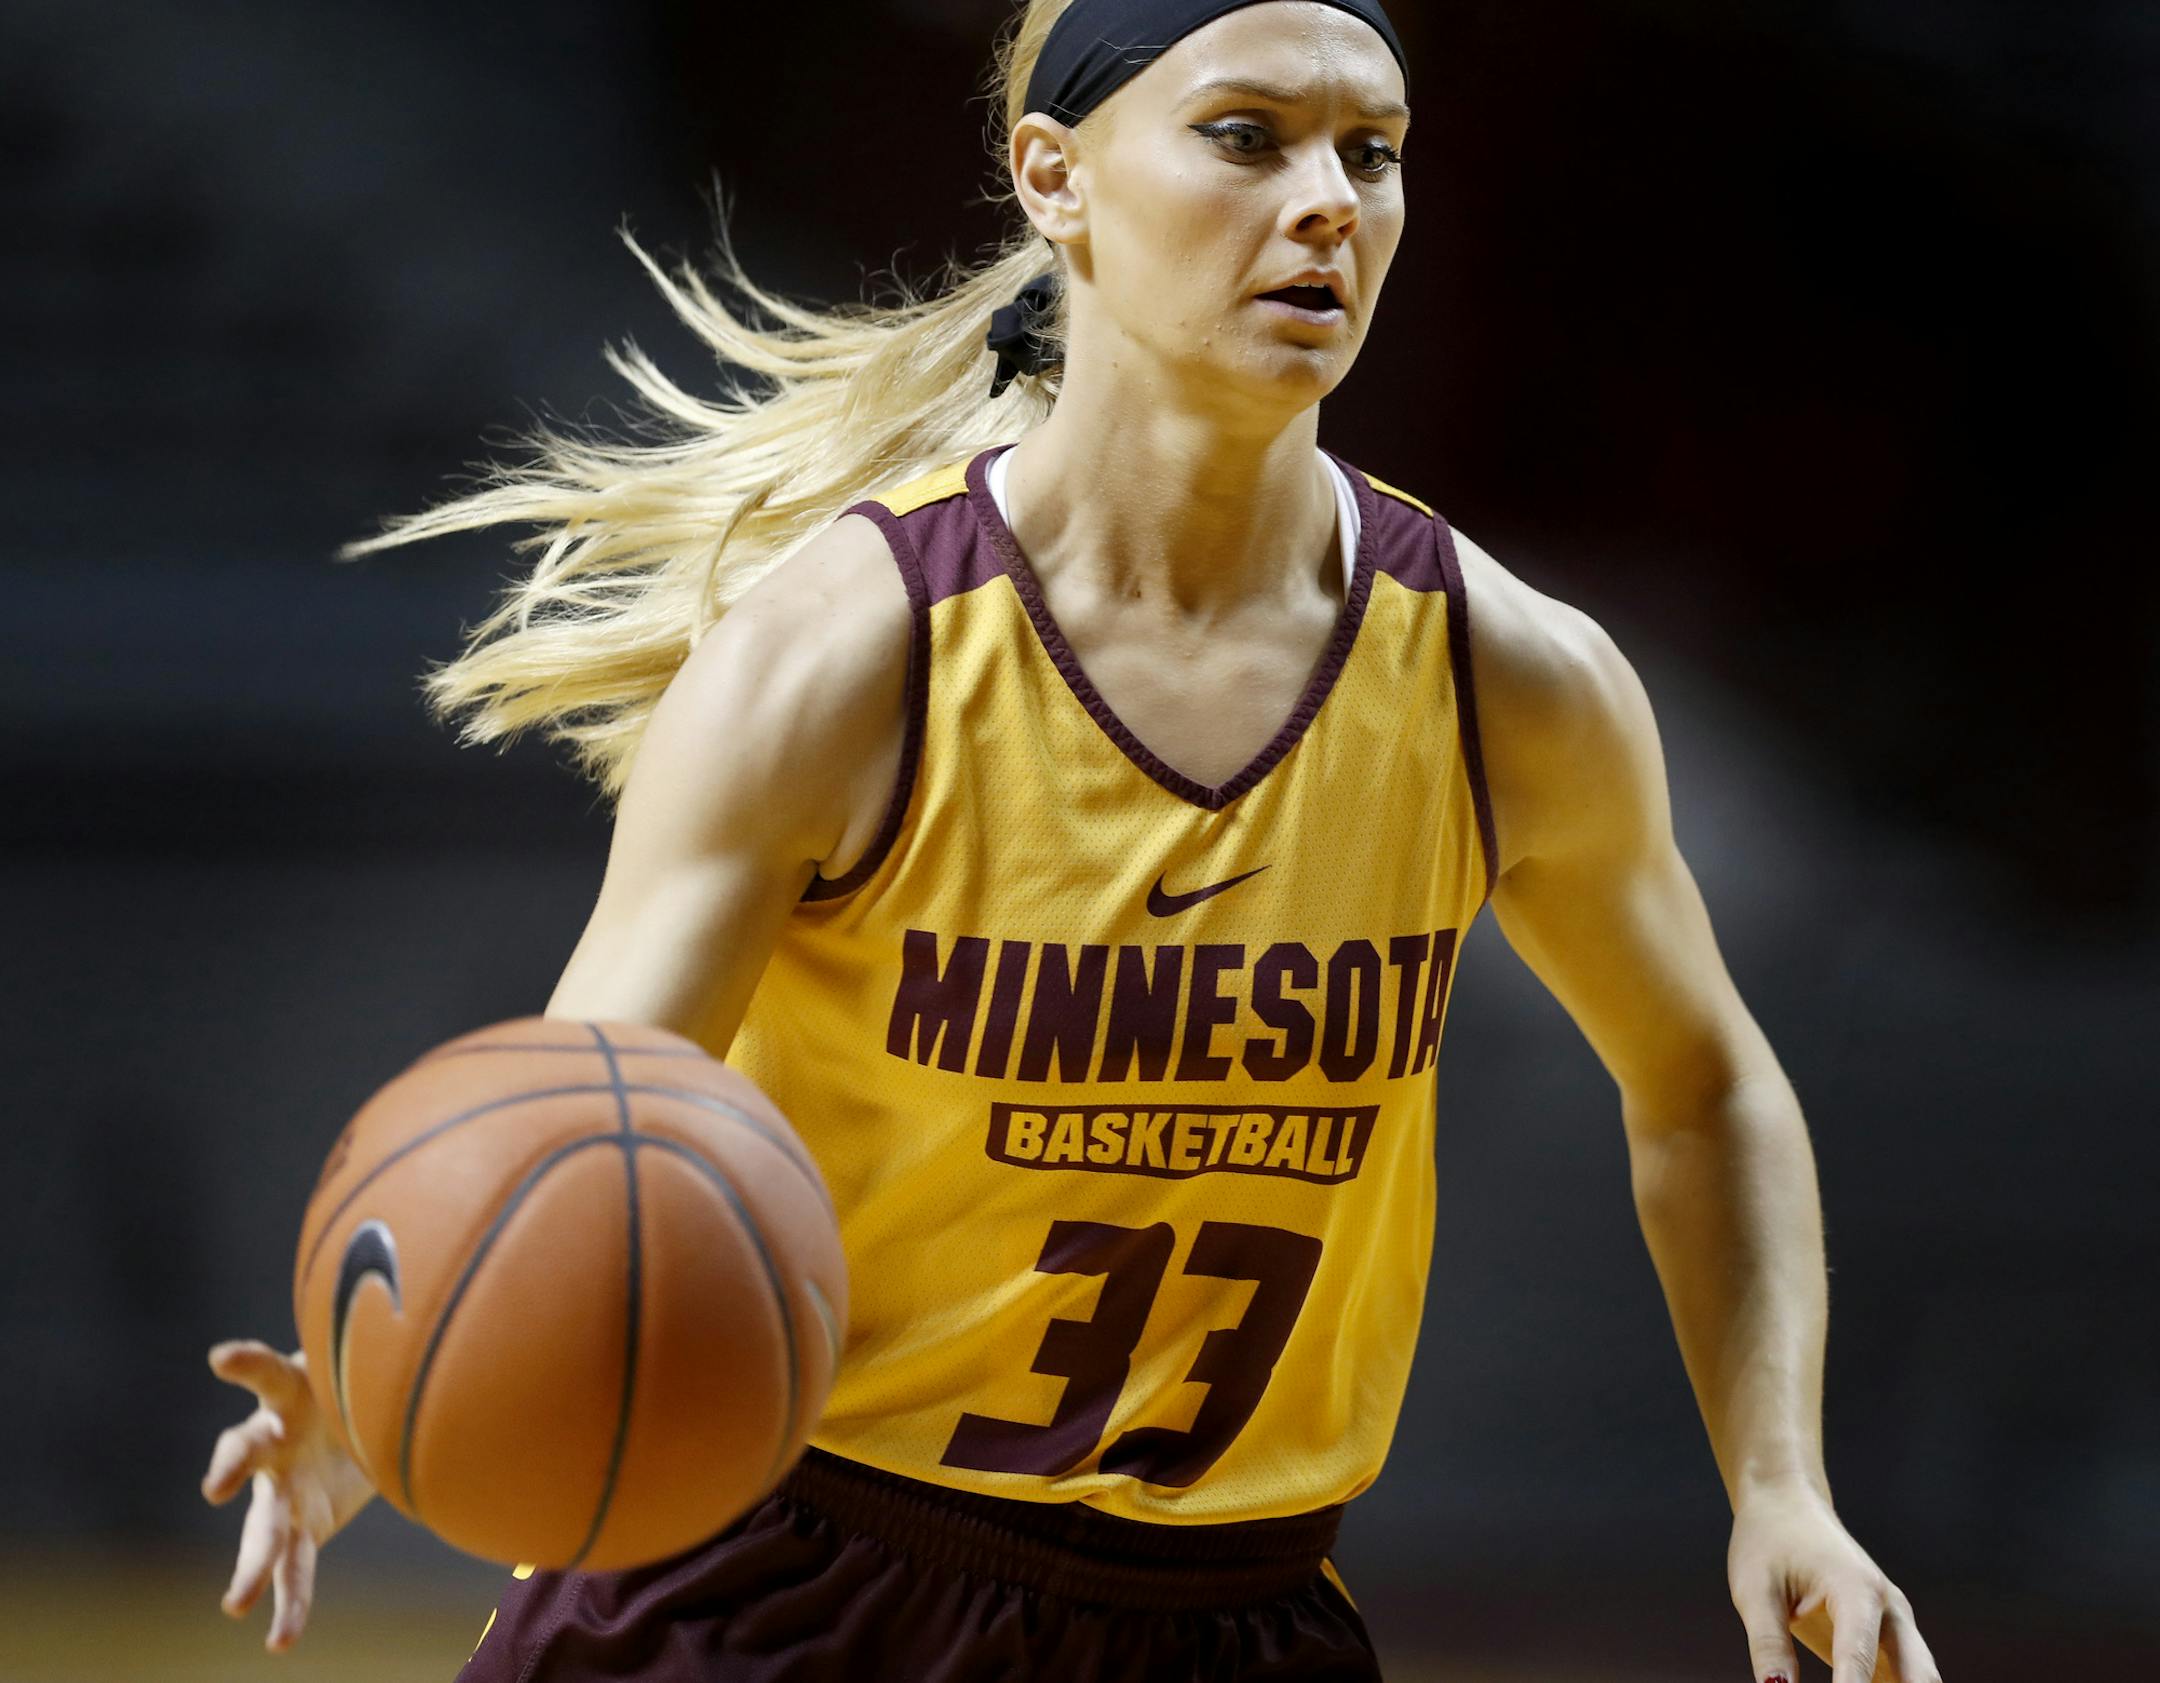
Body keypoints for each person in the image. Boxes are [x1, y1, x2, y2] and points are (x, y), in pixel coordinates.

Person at [199, 1, 1945, 1679]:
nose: (1328, 203)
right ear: (1054, 179)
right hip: (777, 1584)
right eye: (1247, 139)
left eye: (1377, 152)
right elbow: (583, 1132)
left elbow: (1706, 1086)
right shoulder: (849, 655)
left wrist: (1777, 1481)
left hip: (1232, 1615)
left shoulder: (1511, 681)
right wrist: (397, 1389)